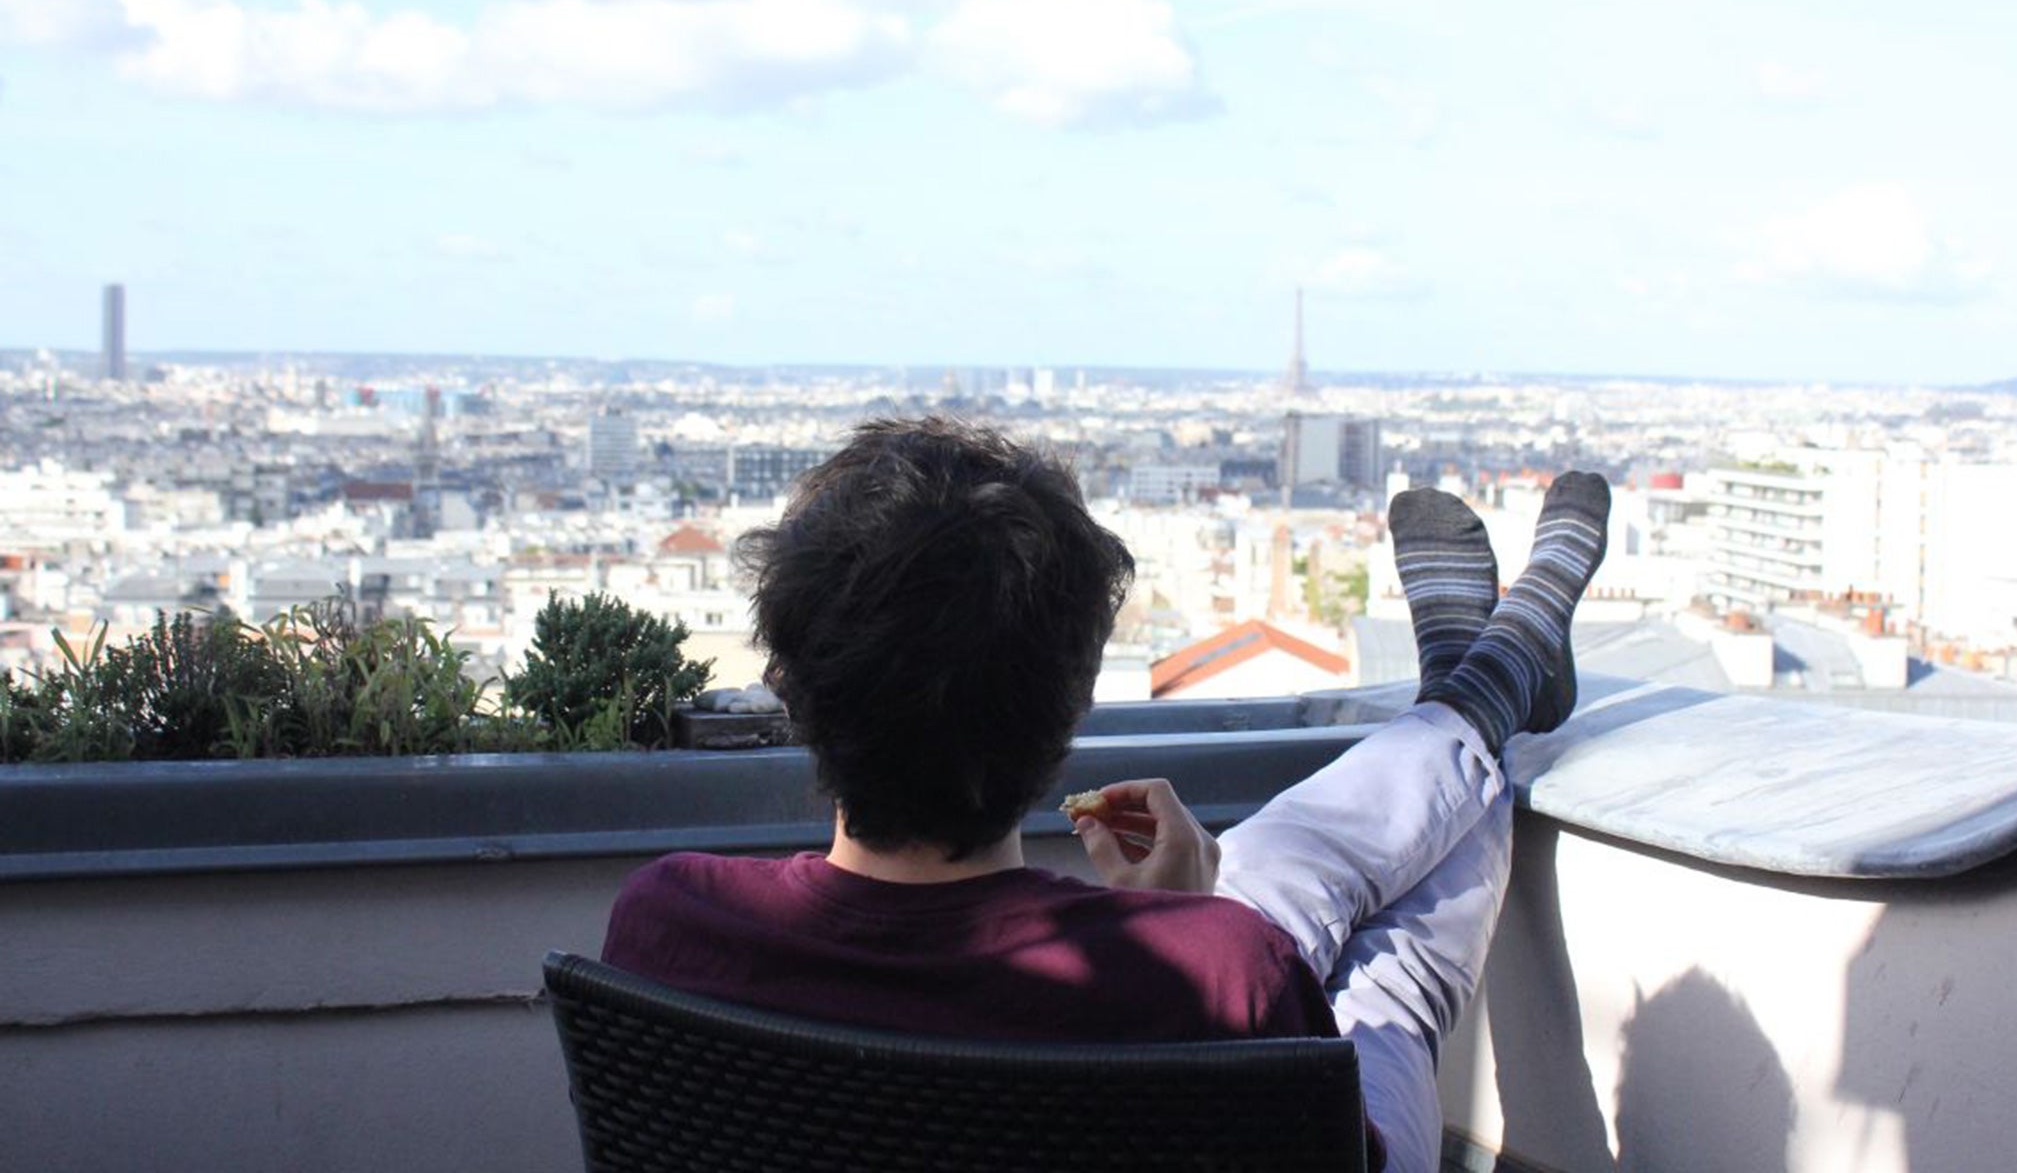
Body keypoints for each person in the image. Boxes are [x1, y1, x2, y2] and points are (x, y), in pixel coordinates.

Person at [604, 418, 1609, 1173]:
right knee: (1388, 983)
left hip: (1186, 990)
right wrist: (1181, 932)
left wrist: (1177, 935)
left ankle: (1480, 682)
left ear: (787, 681)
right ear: (1075, 700)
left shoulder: (668, 924)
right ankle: (1492, 681)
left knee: (1277, 865)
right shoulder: (1222, 966)